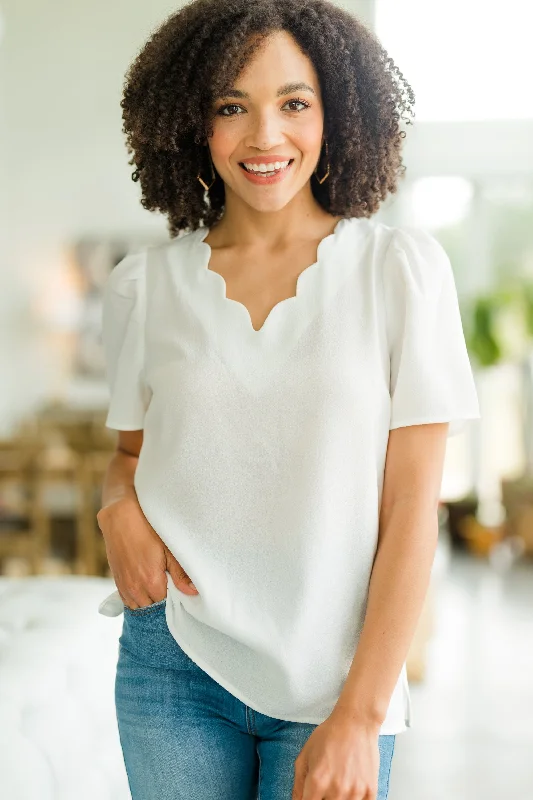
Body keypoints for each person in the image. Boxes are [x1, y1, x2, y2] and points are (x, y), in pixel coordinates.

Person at [96, 1, 481, 798]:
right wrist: (115, 509)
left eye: (293, 103)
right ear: (192, 124)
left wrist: (359, 714)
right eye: (230, 107)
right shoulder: (146, 285)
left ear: (335, 114)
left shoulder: (398, 272)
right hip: (173, 664)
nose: (265, 136)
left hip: (334, 676)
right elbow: (130, 456)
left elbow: (412, 508)